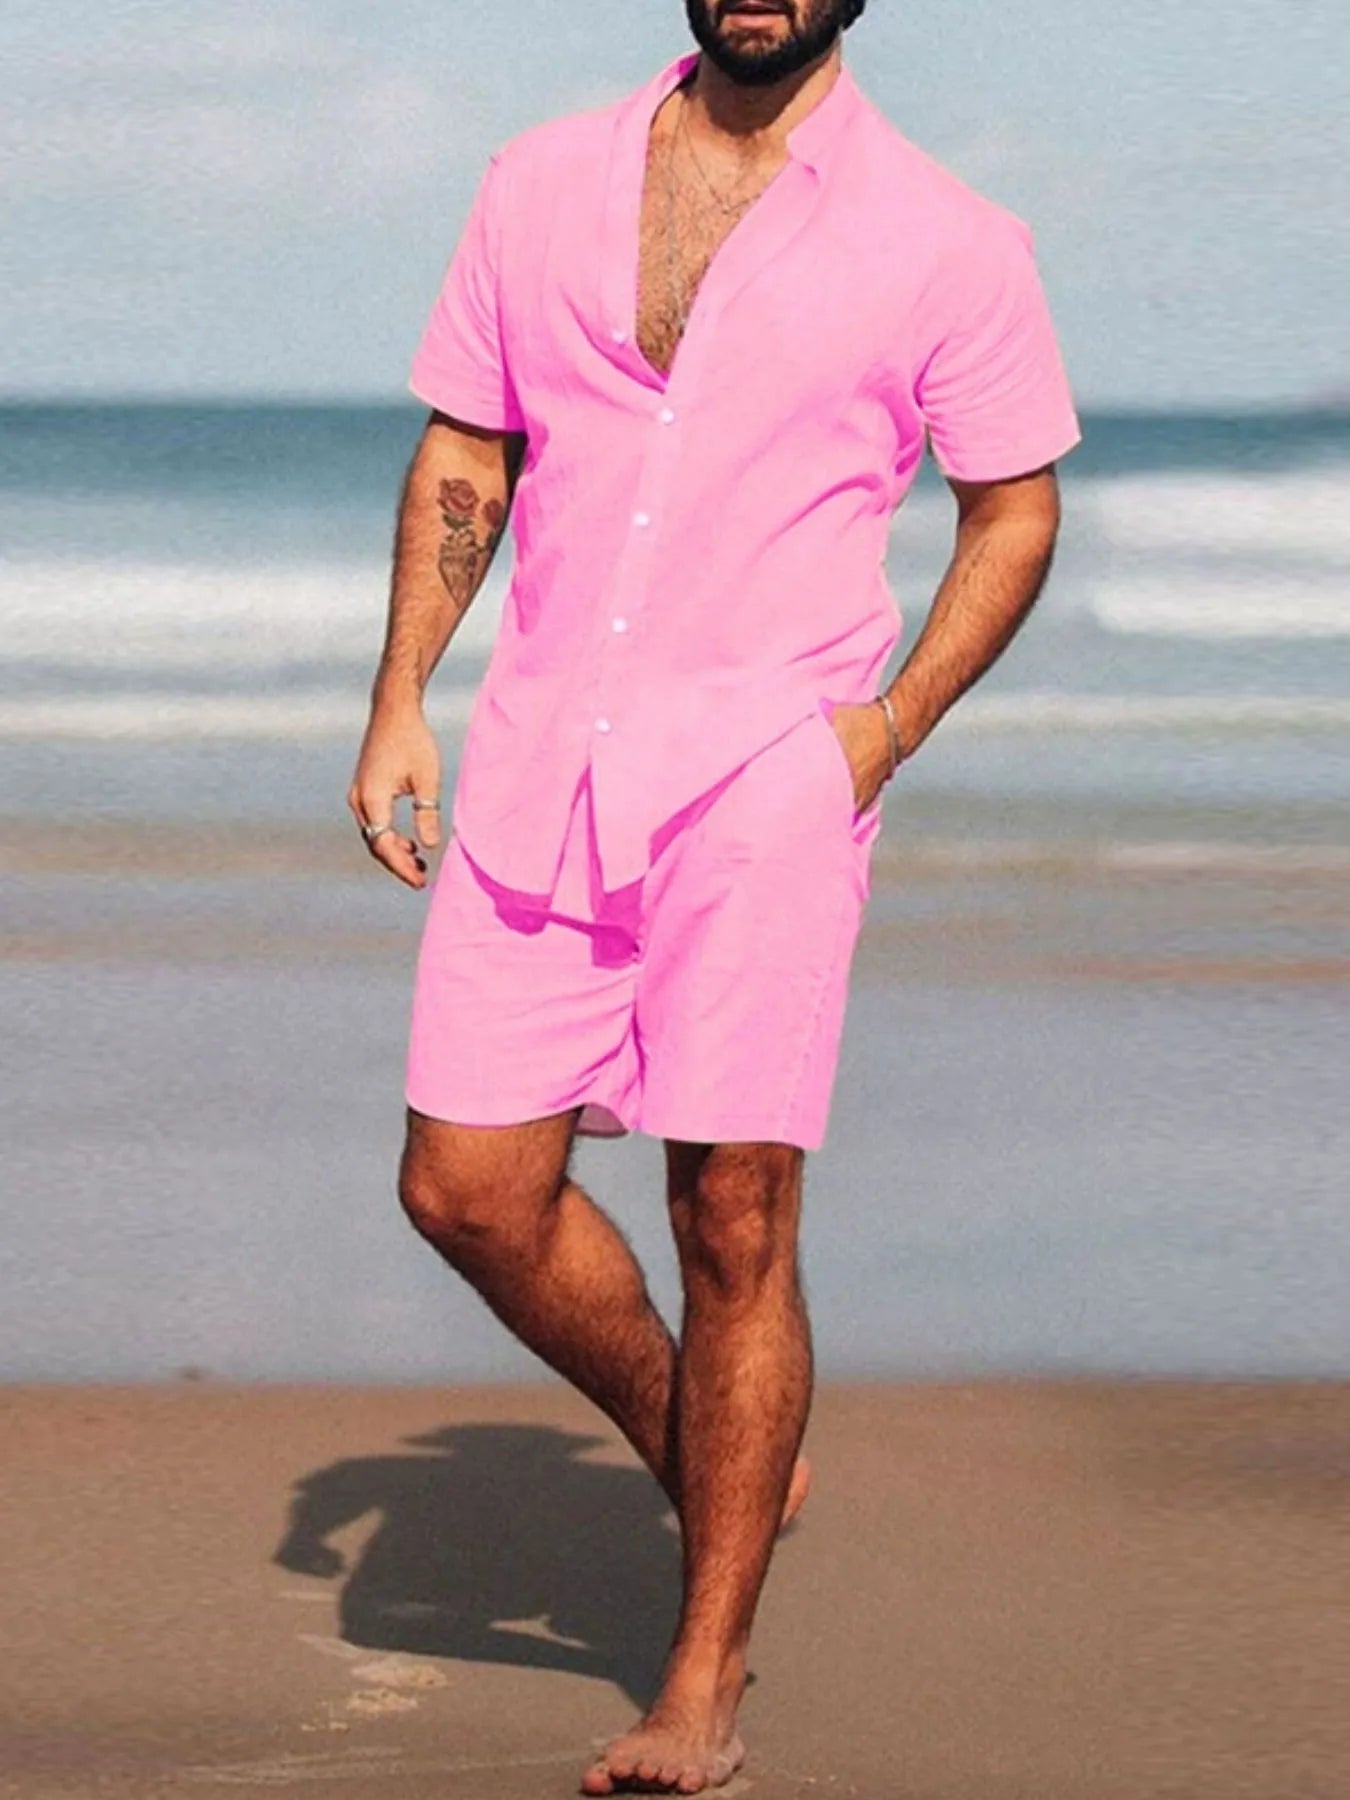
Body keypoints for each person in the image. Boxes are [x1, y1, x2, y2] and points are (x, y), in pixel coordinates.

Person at [347, 0, 1082, 1790]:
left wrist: (883, 730)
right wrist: (399, 698)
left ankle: (701, 1684)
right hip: (543, 754)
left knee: (734, 1220)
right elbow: (468, 450)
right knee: (465, 1188)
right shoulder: (537, 183)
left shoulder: (949, 239)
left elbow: (1013, 510)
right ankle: (713, 1440)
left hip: (765, 778)